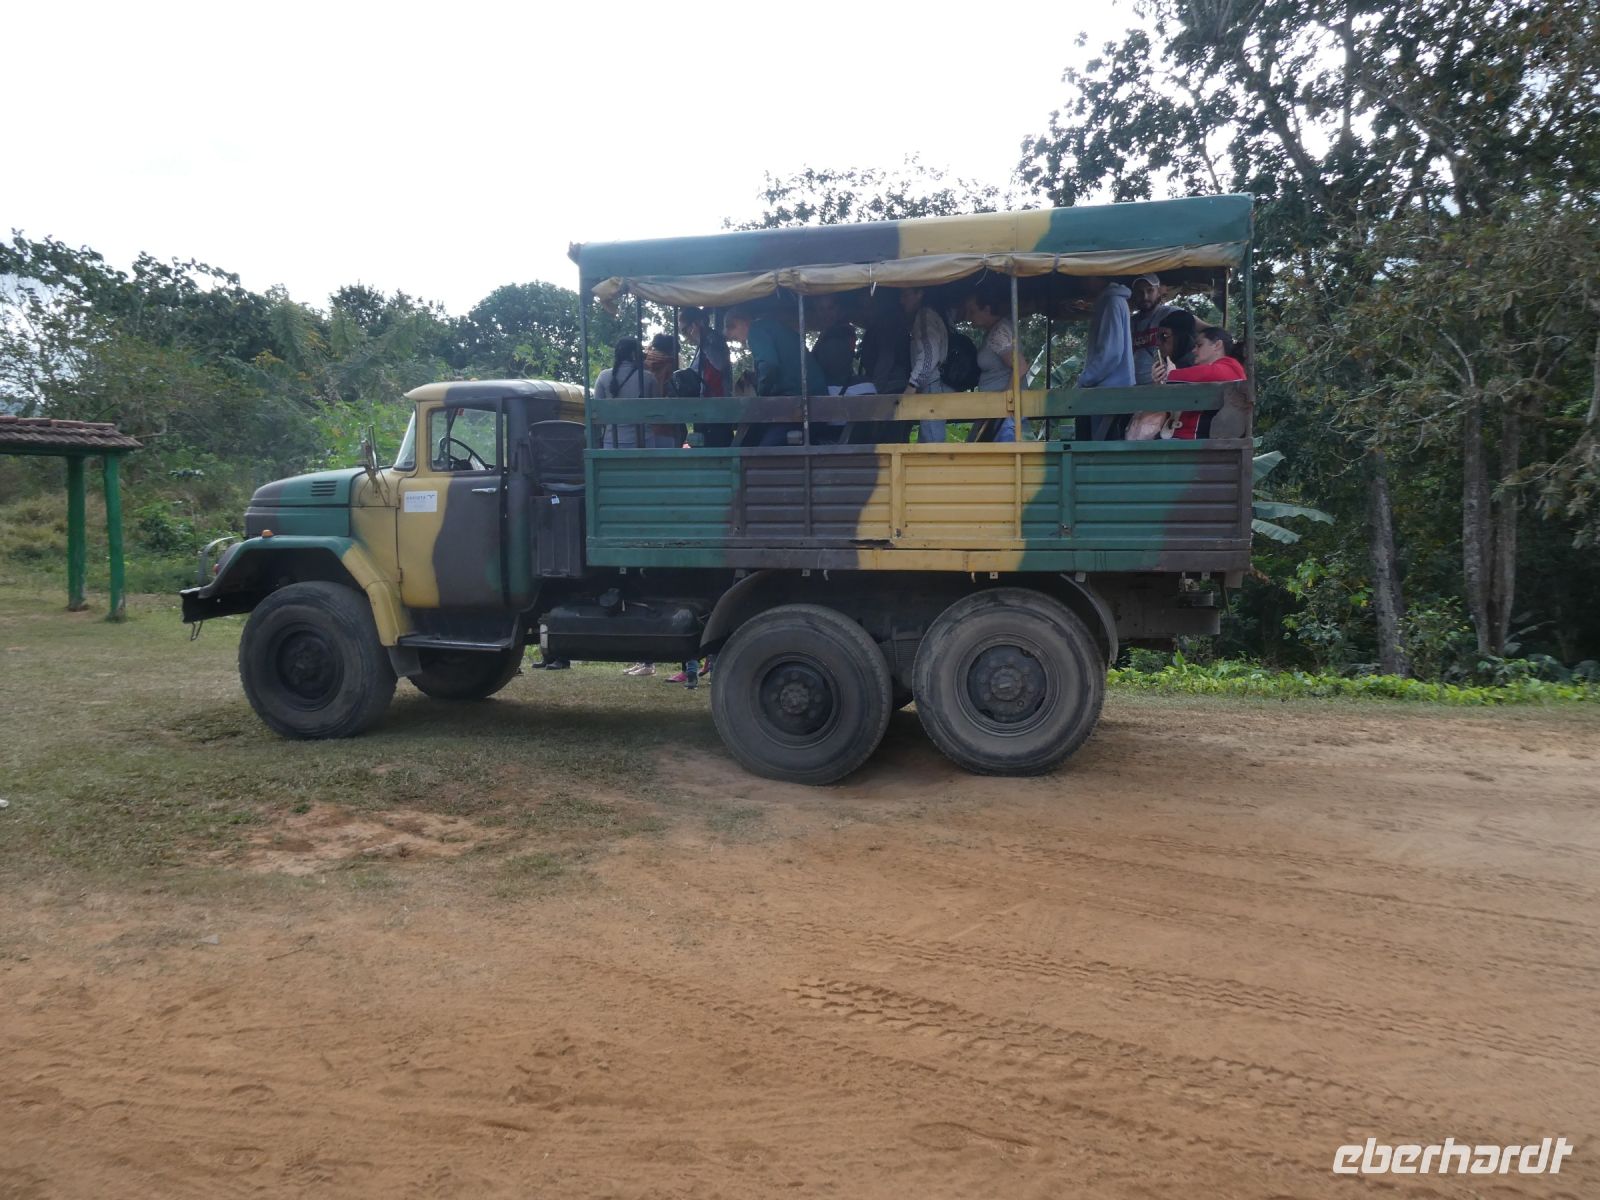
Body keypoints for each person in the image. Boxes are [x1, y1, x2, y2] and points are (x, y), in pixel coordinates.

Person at [723, 307, 824, 447]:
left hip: (800, 405)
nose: (739, 341)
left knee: (761, 451)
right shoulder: (773, 327)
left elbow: (769, 365)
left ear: (741, 322)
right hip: (813, 404)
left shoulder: (756, 330)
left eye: (734, 334)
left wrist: (761, 395)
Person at [1152, 324, 1247, 439]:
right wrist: (1160, 382)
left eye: (1199, 345)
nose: (1194, 350)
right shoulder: (1208, 372)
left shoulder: (1231, 367)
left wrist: (1171, 374)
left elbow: (1210, 373)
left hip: (1195, 439)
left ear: (1217, 345)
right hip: (1181, 436)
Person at [1076, 277, 1135, 440]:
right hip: (1111, 392)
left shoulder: (1112, 302)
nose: (1083, 282)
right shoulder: (1111, 301)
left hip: (1109, 393)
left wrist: (1085, 379)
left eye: (1085, 278)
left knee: (1101, 450)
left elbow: (1111, 353)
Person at [962, 278, 1021, 442]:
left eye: (972, 311)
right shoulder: (994, 331)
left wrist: (1006, 402)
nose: (968, 316)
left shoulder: (999, 332)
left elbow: (1021, 367)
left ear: (986, 309)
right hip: (994, 411)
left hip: (1002, 415)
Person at [594, 337, 665, 449]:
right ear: (634, 354)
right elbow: (657, 411)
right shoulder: (648, 377)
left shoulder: (603, 376)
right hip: (643, 442)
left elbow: (597, 412)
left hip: (612, 442)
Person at [678, 307, 732, 448]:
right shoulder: (702, 343)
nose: (684, 336)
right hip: (705, 408)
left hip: (717, 408)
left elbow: (719, 364)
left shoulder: (712, 339)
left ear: (695, 325)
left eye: (684, 331)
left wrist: (700, 339)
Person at [901, 287, 948, 444]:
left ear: (919, 294)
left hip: (930, 385)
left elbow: (929, 354)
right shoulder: (931, 314)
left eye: (906, 294)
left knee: (933, 443)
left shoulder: (924, 316)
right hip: (932, 384)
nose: (902, 300)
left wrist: (912, 384)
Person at [1129, 274, 1175, 386]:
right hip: (1132, 388)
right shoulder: (1130, 322)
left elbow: (1206, 330)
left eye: (1150, 291)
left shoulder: (1171, 313)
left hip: (1160, 386)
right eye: (1140, 292)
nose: (1145, 296)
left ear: (1158, 291)